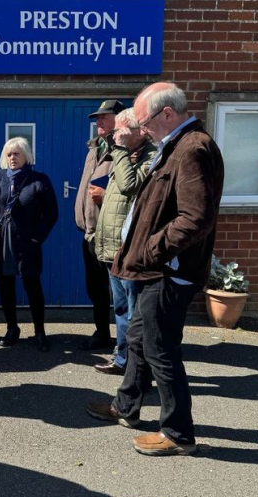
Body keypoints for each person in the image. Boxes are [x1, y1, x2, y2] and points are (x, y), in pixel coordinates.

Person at [86, 82, 224, 456]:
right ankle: (127, 407)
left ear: (167, 114)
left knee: (161, 349)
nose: (142, 129)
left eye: (145, 121)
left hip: (168, 272)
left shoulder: (193, 149)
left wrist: (150, 250)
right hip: (156, 269)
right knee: (138, 340)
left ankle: (178, 433)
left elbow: (196, 218)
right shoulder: (175, 146)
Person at [92, 108, 156, 376]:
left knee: (133, 312)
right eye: (115, 130)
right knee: (119, 307)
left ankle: (136, 366)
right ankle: (122, 359)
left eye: (120, 130)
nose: (115, 134)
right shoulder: (123, 154)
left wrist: (117, 150)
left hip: (129, 248)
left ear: (139, 131)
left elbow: (130, 186)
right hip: (111, 248)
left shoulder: (151, 156)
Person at [0, 137, 58, 352]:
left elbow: (51, 213)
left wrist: (36, 238)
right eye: (9, 154)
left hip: (27, 244)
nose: (12, 158)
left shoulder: (39, 180)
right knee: (5, 286)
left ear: (26, 156)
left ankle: (40, 332)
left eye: (17, 154)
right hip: (2, 242)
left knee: (32, 286)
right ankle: (12, 328)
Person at [75, 99, 125, 351]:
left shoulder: (125, 150)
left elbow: (132, 193)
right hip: (89, 233)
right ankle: (102, 333)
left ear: (120, 119)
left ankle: (125, 342)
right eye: (97, 117)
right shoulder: (94, 150)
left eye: (104, 116)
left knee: (119, 291)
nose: (98, 121)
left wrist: (105, 197)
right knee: (95, 288)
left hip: (112, 234)